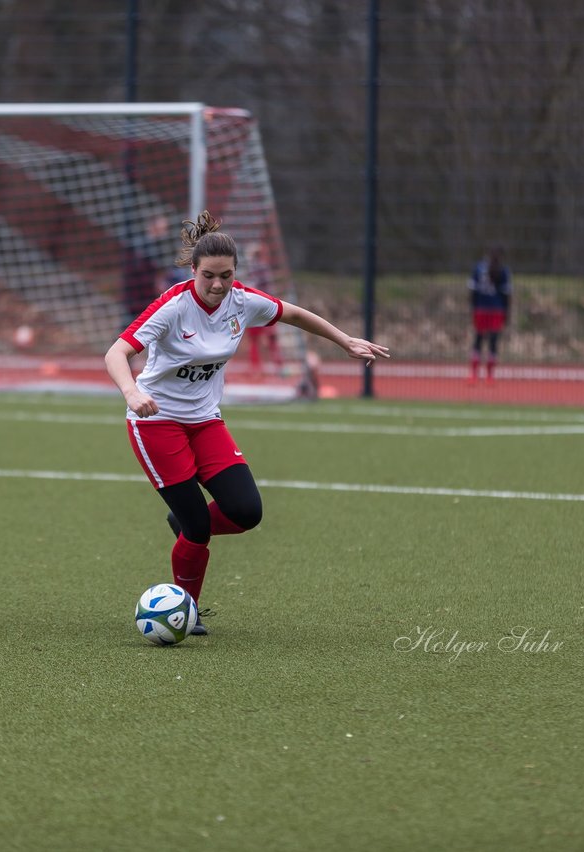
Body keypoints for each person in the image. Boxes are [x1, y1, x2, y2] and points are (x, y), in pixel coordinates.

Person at [104, 211, 389, 635]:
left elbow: (293, 314)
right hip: (156, 422)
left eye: (227, 275)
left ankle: (184, 527)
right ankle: (188, 610)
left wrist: (344, 340)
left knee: (246, 511)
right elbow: (116, 353)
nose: (218, 285)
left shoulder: (243, 300)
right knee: (199, 527)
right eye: (208, 276)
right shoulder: (173, 306)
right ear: (193, 271)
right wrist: (132, 392)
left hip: (205, 421)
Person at [467, 248, 511, 383]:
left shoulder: (478, 268)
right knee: (493, 341)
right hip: (496, 309)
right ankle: (490, 376)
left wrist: (473, 308)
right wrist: (506, 312)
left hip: (480, 309)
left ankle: (474, 374)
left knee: (478, 339)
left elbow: (472, 291)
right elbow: (506, 294)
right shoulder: (504, 270)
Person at [243, 241, 283, 374]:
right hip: (266, 307)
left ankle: (256, 368)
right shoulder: (262, 269)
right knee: (271, 340)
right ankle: (278, 366)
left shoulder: (253, 269)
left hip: (255, 308)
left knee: (256, 341)